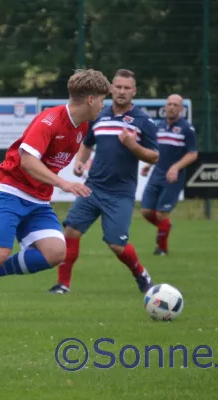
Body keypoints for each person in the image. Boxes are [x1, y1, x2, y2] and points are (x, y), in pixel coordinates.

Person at [0, 69, 111, 323]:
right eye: (103, 99)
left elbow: (70, 151)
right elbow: (28, 162)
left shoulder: (83, 126)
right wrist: (64, 183)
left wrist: (80, 164)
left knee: (55, 252)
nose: (104, 104)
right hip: (9, 190)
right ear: (91, 99)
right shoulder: (49, 120)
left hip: (37, 200)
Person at [49, 69, 159, 295]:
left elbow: (154, 156)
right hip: (93, 187)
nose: (121, 91)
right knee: (71, 231)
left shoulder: (143, 121)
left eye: (127, 88)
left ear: (134, 91)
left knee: (116, 244)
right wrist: (80, 161)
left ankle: (140, 273)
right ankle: (63, 285)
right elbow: (87, 143)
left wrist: (132, 145)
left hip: (120, 193)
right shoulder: (99, 116)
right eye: (118, 87)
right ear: (110, 89)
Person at [140, 94, 198, 255]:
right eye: (169, 104)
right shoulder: (159, 126)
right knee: (145, 211)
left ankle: (162, 249)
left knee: (161, 213)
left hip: (173, 177)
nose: (171, 107)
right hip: (156, 173)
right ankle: (165, 226)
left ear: (181, 109)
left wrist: (176, 167)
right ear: (165, 107)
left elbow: (193, 154)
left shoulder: (187, 128)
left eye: (175, 105)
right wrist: (148, 164)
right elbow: (158, 151)